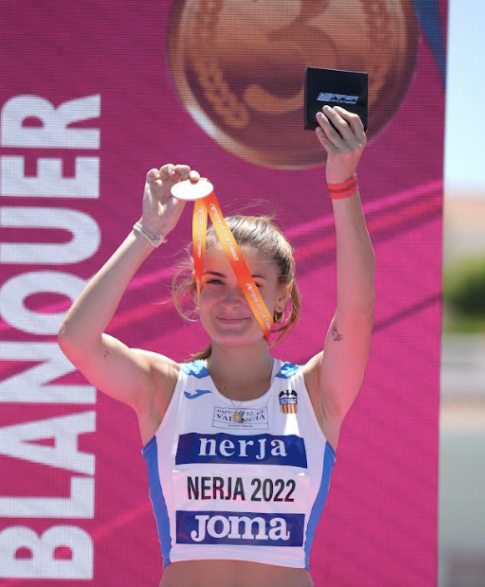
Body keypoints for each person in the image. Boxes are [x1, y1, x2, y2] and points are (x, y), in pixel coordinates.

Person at [59, 105, 374, 587]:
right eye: (214, 282)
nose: (231, 301)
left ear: (281, 295)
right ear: (195, 293)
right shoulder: (164, 388)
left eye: (251, 284)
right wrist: (148, 233)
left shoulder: (316, 392)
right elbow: (77, 340)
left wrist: (343, 185)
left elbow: (356, 312)